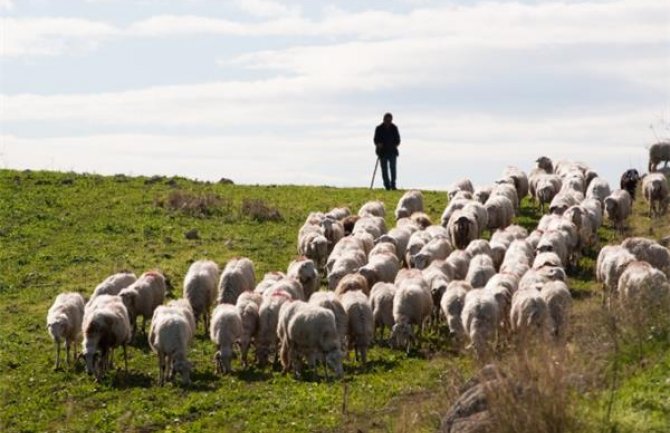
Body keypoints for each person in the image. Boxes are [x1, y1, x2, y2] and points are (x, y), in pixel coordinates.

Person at [373, 112, 401, 190]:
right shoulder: (379, 128)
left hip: (392, 151)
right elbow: (375, 139)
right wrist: (378, 144)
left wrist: (396, 144)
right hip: (382, 152)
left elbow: (398, 139)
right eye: (387, 120)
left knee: (393, 168)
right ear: (384, 119)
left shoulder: (394, 128)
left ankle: (393, 185)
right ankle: (387, 185)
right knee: (384, 169)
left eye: (390, 120)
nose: (388, 122)